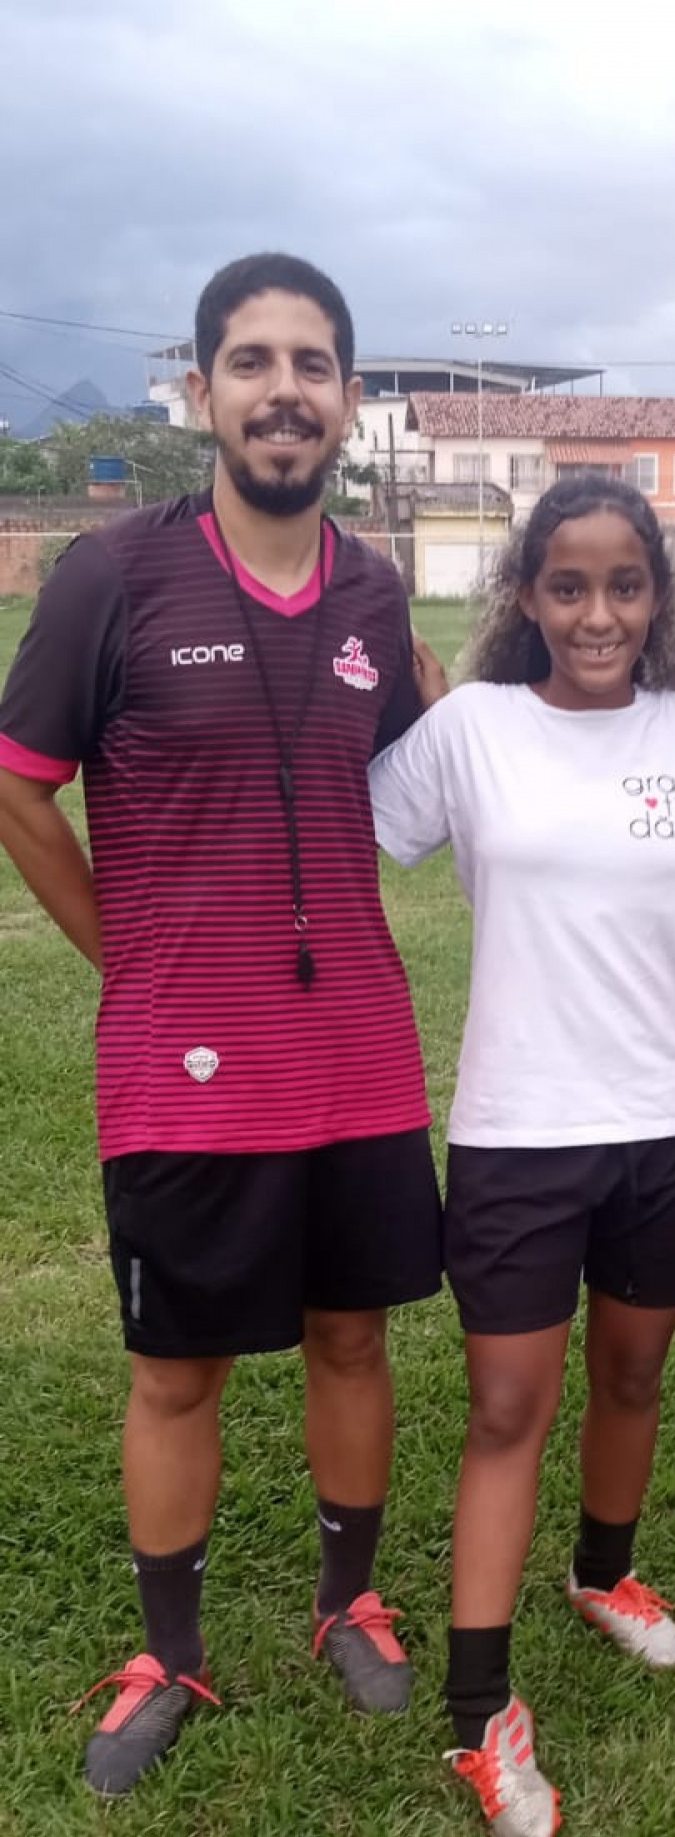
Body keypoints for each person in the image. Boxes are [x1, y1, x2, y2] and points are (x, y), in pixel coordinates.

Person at [0, 254, 443, 1796]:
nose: (282, 390)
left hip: (361, 1056)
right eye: (249, 362)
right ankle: (169, 1647)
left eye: (312, 363)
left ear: (349, 398)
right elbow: (20, 783)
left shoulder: (378, 593)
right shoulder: (113, 575)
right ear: (202, 391)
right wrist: (132, 955)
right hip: (184, 1068)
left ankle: (350, 1601)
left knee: (352, 1333)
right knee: (177, 1367)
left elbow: (424, 764)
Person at [370, 473, 675, 1836]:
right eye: (569, 586)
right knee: (510, 1408)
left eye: (624, 586)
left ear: (659, 599)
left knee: (635, 1373)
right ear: (526, 596)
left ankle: (605, 1573)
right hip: (518, 1132)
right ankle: (482, 1720)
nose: (598, 614)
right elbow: (351, 845)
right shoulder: (469, 729)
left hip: (672, 1123)